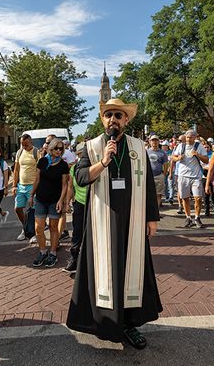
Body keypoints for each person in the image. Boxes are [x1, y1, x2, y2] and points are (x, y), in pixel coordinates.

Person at [67, 98, 161, 349]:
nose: (113, 119)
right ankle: (106, 323)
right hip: (101, 221)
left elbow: (149, 186)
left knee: (131, 270)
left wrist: (152, 217)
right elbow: (81, 176)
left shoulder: (138, 147)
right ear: (102, 119)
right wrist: (104, 161)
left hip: (133, 219)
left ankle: (129, 324)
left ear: (126, 120)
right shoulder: (91, 146)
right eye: (109, 115)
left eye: (118, 115)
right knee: (103, 272)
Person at [29, 138, 70, 268]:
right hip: (41, 199)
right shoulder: (42, 161)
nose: (59, 151)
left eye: (61, 149)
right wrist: (31, 195)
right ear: (50, 149)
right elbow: (37, 180)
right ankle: (42, 251)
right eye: (56, 148)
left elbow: (64, 185)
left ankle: (52, 253)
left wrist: (61, 201)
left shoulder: (63, 165)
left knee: (53, 228)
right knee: (38, 228)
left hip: (54, 201)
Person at [173, 130, 209, 228]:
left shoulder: (199, 146)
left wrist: (198, 155)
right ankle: (188, 217)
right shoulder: (181, 146)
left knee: (198, 198)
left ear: (195, 137)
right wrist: (179, 158)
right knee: (185, 198)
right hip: (183, 175)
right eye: (187, 137)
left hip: (196, 176)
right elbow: (174, 157)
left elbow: (206, 160)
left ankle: (197, 217)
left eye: (191, 137)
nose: (189, 139)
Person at [63, 142, 87, 274]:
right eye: (81, 154)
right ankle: (74, 258)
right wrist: (67, 203)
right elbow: (70, 187)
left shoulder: (95, 167)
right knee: (77, 231)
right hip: (79, 202)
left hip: (93, 204)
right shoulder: (74, 168)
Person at [12, 134, 40, 241]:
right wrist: (14, 185)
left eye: (26, 144)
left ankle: (33, 233)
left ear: (30, 142)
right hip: (21, 186)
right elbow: (16, 170)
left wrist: (38, 186)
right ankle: (25, 228)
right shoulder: (19, 152)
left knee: (33, 210)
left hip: (32, 186)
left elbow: (39, 170)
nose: (24, 146)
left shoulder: (36, 152)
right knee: (18, 208)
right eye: (22, 144)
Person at [147, 135, 168, 209]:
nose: (154, 142)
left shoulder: (162, 153)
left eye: (156, 140)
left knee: (158, 194)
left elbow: (165, 165)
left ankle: (157, 211)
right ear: (150, 142)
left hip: (159, 176)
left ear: (158, 142)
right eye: (153, 140)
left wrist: (163, 174)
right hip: (148, 176)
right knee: (148, 194)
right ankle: (149, 211)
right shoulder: (146, 151)